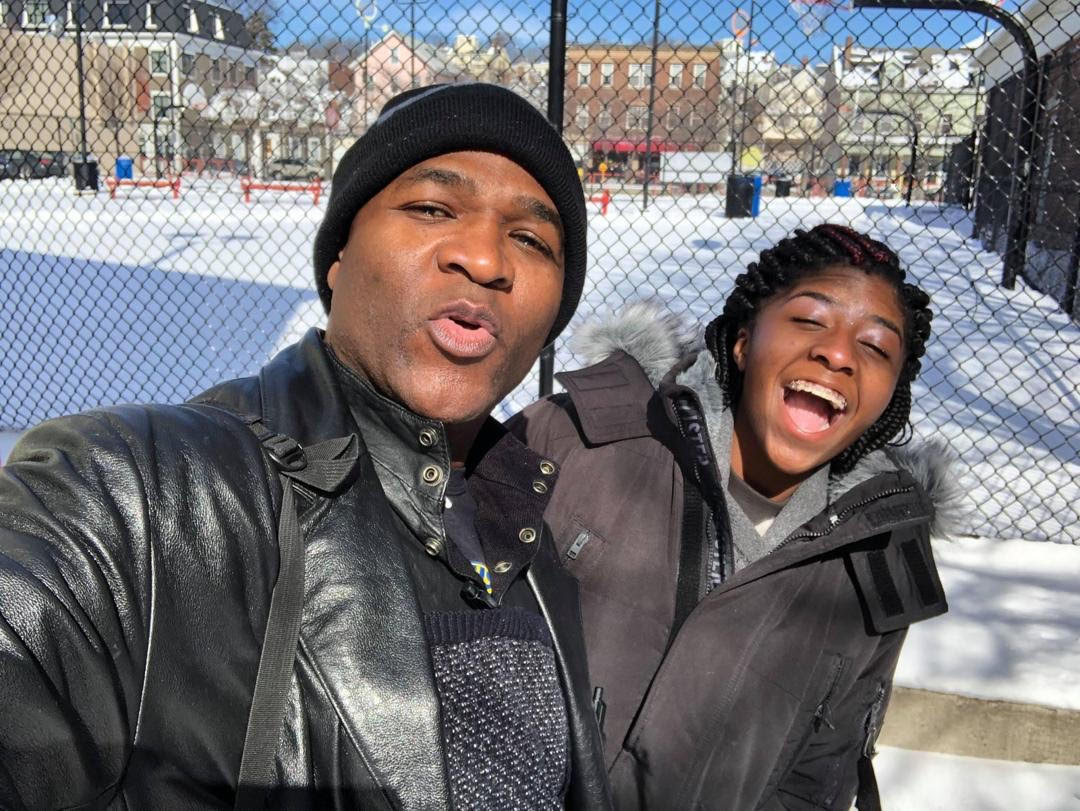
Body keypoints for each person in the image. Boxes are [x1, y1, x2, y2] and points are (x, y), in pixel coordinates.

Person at [0, 83, 610, 809]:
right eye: (431, 208)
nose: (484, 258)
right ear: (338, 257)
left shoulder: (534, 532)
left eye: (532, 240)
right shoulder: (137, 487)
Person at [511, 224, 961, 809]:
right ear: (744, 343)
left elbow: (817, 780)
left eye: (875, 347)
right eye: (810, 320)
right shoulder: (578, 439)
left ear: (889, 398)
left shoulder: (878, 557)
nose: (838, 354)